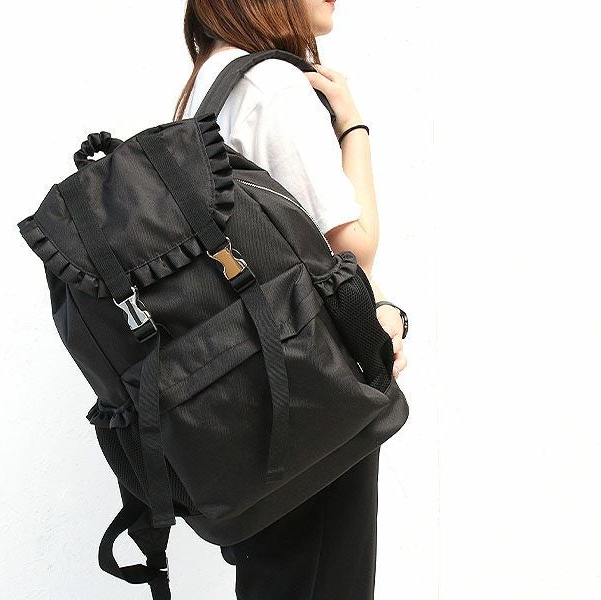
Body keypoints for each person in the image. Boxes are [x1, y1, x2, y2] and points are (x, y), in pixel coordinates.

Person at [175, 1, 408, 598]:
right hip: (309, 400)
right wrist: (353, 127)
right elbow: (352, 246)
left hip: (248, 405)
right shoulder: (271, 84)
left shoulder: (207, 85)